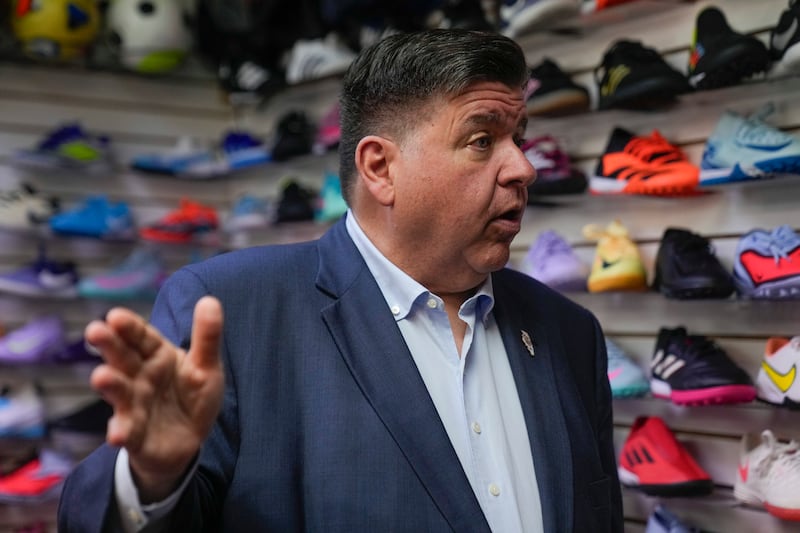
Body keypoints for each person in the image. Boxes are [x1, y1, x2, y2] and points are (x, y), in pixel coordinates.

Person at [58, 29, 622, 532]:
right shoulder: (234, 311)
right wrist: (153, 478)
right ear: (379, 168)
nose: (524, 167)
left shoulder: (569, 333)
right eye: (482, 140)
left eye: (519, 137)